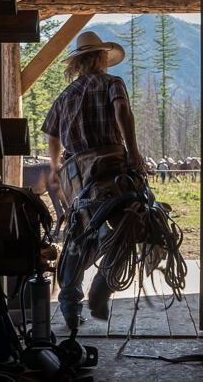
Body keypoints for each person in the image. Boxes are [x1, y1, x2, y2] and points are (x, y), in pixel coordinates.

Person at [41, 31, 144, 329]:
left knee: (76, 233)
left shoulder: (66, 95)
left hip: (76, 172)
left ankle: (70, 308)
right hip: (109, 164)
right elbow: (122, 110)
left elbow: (52, 135)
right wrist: (133, 151)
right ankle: (106, 275)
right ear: (101, 57)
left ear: (78, 63)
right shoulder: (112, 83)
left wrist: (54, 168)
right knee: (128, 222)